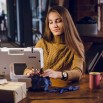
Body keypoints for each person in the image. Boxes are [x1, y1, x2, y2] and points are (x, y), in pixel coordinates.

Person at [24, 6, 85, 87]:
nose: (54, 25)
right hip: (42, 88)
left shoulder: (76, 45)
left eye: (58, 21)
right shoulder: (42, 43)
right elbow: (27, 69)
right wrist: (29, 72)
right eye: (51, 22)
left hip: (63, 89)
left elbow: (78, 73)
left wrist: (59, 74)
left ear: (66, 22)